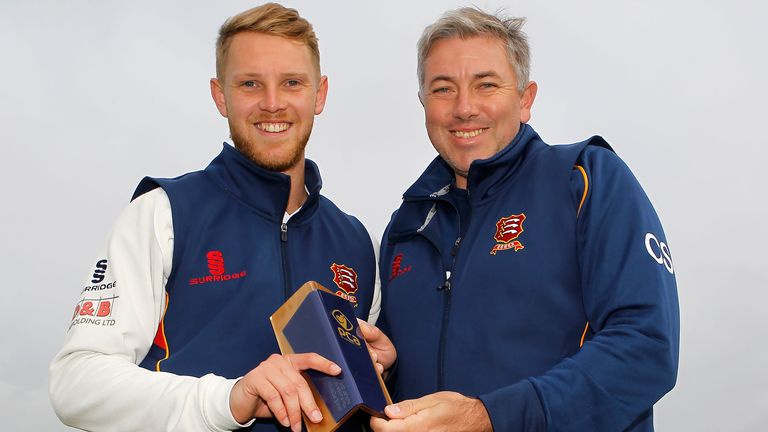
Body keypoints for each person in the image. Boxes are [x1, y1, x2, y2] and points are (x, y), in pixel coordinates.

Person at [49, 4, 380, 431]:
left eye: (292, 82)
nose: (273, 103)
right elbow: (75, 384)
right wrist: (227, 400)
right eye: (250, 84)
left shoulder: (358, 242)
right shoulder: (164, 213)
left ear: (320, 94)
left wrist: (382, 372)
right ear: (220, 95)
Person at [363, 7, 679, 432]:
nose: (463, 108)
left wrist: (490, 417)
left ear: (525, 99)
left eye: (486, 84)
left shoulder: (586, 179)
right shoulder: (407, 226)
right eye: (443, 89)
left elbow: (646, 348)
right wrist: (388, 369)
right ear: (423, 102)